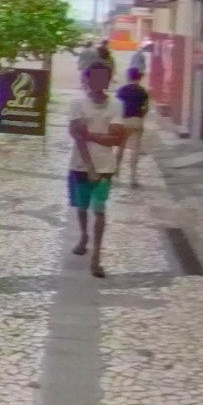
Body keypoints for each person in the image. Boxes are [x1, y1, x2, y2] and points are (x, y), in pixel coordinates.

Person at [63, 76, 141, 273]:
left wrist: (89, 135)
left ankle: (96, 256)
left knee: (99, 209)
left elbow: (117, 138)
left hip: (105, 168)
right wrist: (90, 166)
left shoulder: (116, 105)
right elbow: (77, 136)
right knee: (82, 206)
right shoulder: (77, 104)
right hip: (80, 165)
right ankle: (84, 236)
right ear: (87, 80)